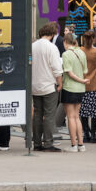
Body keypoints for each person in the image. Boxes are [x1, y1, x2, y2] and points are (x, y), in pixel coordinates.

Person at [31, 23, 63, 152]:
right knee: (49, 115)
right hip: (49, 85)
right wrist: (60, 82)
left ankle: (37, 143)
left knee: (37, 114)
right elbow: (56, 68)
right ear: (52, 33)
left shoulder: (32, 46)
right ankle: (48, 143)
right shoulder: (52, 48)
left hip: (35, 84)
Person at [61, 31, 88, 152]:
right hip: (80, 89)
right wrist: (82, 81)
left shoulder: (66, 54)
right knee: (77, 117)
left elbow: (69, 72)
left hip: (69, 87)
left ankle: (73, 145)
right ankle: (81, 144)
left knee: (70, 117)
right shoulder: (81, 53)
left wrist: (80, 80)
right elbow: (85, 70)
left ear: (65, 42)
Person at [79, 30, 96, 144]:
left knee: (83, 111)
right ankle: (94, 135)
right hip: (95, 84)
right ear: (93, 39)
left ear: (83, 39)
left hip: (83, 83)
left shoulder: (80, 51)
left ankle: (86, 134)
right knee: (95, 111)